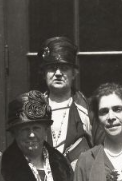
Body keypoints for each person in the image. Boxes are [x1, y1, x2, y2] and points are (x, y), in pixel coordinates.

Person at [39, 36, 100, 168]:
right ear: (44, 74)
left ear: (74, 73)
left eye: (64, 68)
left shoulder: (88, 109)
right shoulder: (34, 109)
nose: (58, 73)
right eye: (52, 68)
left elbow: (101, 150)